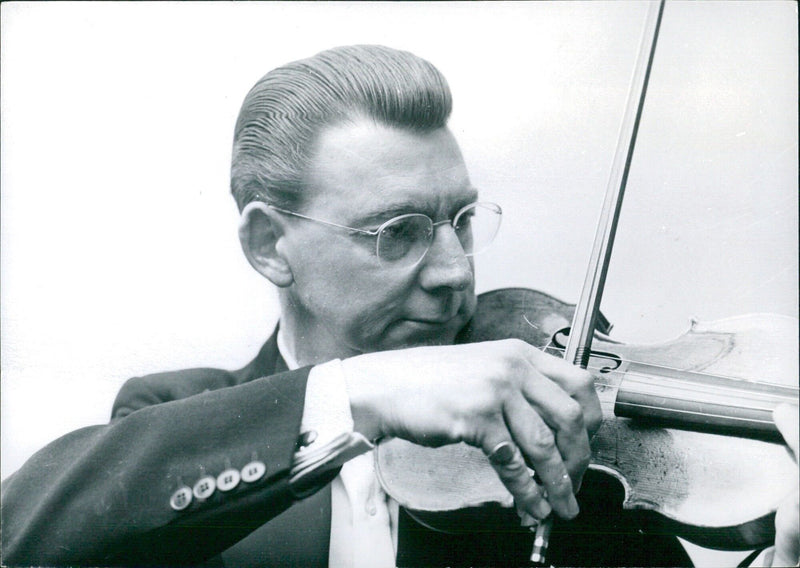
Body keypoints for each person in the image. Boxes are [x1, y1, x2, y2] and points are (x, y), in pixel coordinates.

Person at [1, 45, 797, 568]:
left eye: (460, 222)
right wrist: (365, 393)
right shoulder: (180, 416)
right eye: (399, 233)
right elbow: (25, 538)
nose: (455, 273)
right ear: (269, 245)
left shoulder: (558, 458)